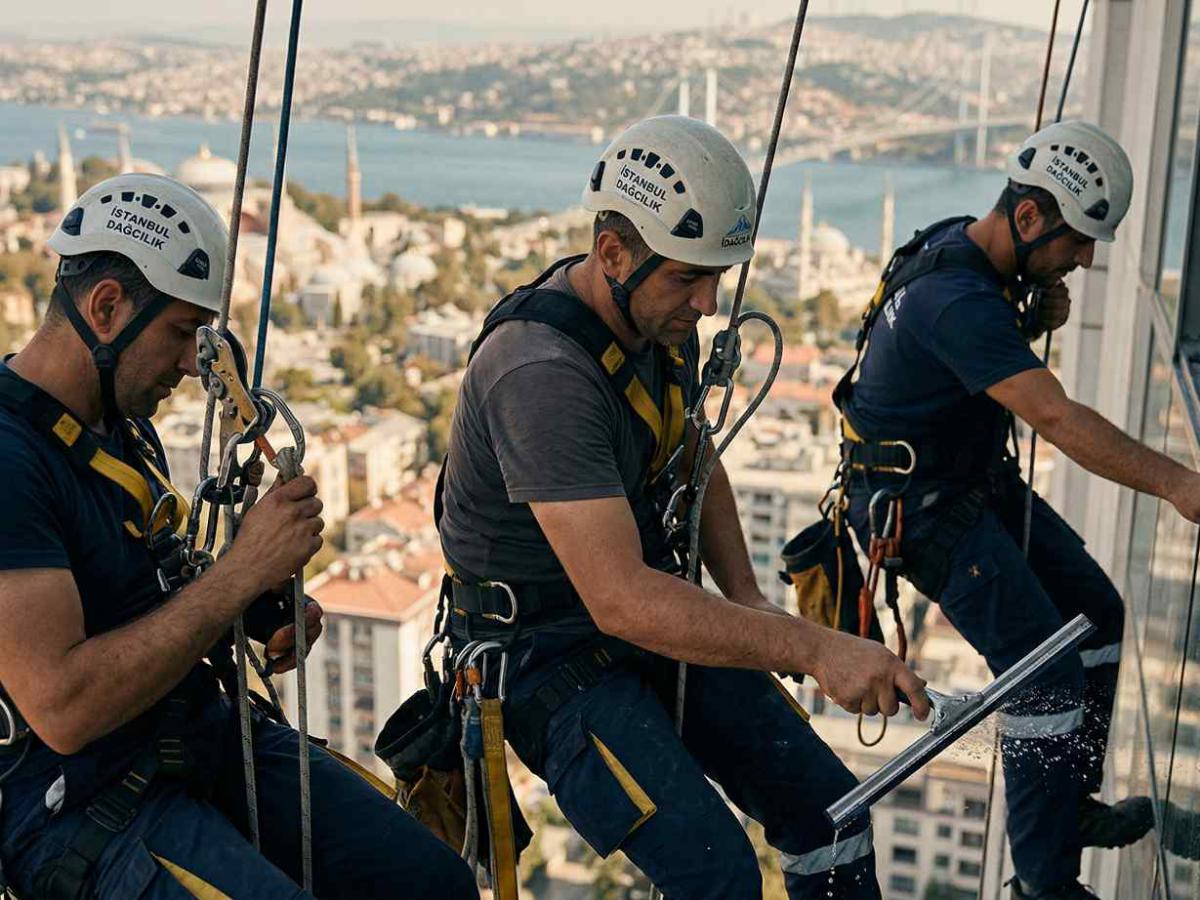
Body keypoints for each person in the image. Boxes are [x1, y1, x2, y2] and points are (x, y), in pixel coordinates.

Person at [434, 114, 931, 900]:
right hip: (544, 656)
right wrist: (809, 650)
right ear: (613, 253)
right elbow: (622, 599)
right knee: (718, 876)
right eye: (687, 278)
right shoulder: (540, 375)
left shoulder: (650, 316)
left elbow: (691, 447)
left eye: (716, 278)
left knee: (834, 812)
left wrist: (752, 603)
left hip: (638, 613)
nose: (706, 302)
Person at [0, 173, 477, 900]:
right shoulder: (10, 462)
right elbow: (63, 706)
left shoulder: (124, 430)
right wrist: (240, 574)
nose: (195, 363)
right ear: (105, 308)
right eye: (182, 333)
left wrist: (253, 607)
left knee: (431, 882)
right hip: (82, 804)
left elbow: (140, 593)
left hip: (192, 731)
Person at [837, 120, 1187, 899]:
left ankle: (1067, 804)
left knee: (1095, 612)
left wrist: (1032, 310)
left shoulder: (959, 251)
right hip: (922, 512)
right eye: (1078, 240)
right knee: (1044, 680)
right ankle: (1044, 883)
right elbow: (1055, 418)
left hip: (963, 483)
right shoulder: (955, 297)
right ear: (1029, 219)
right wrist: (1174, 481)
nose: (1087, 258)